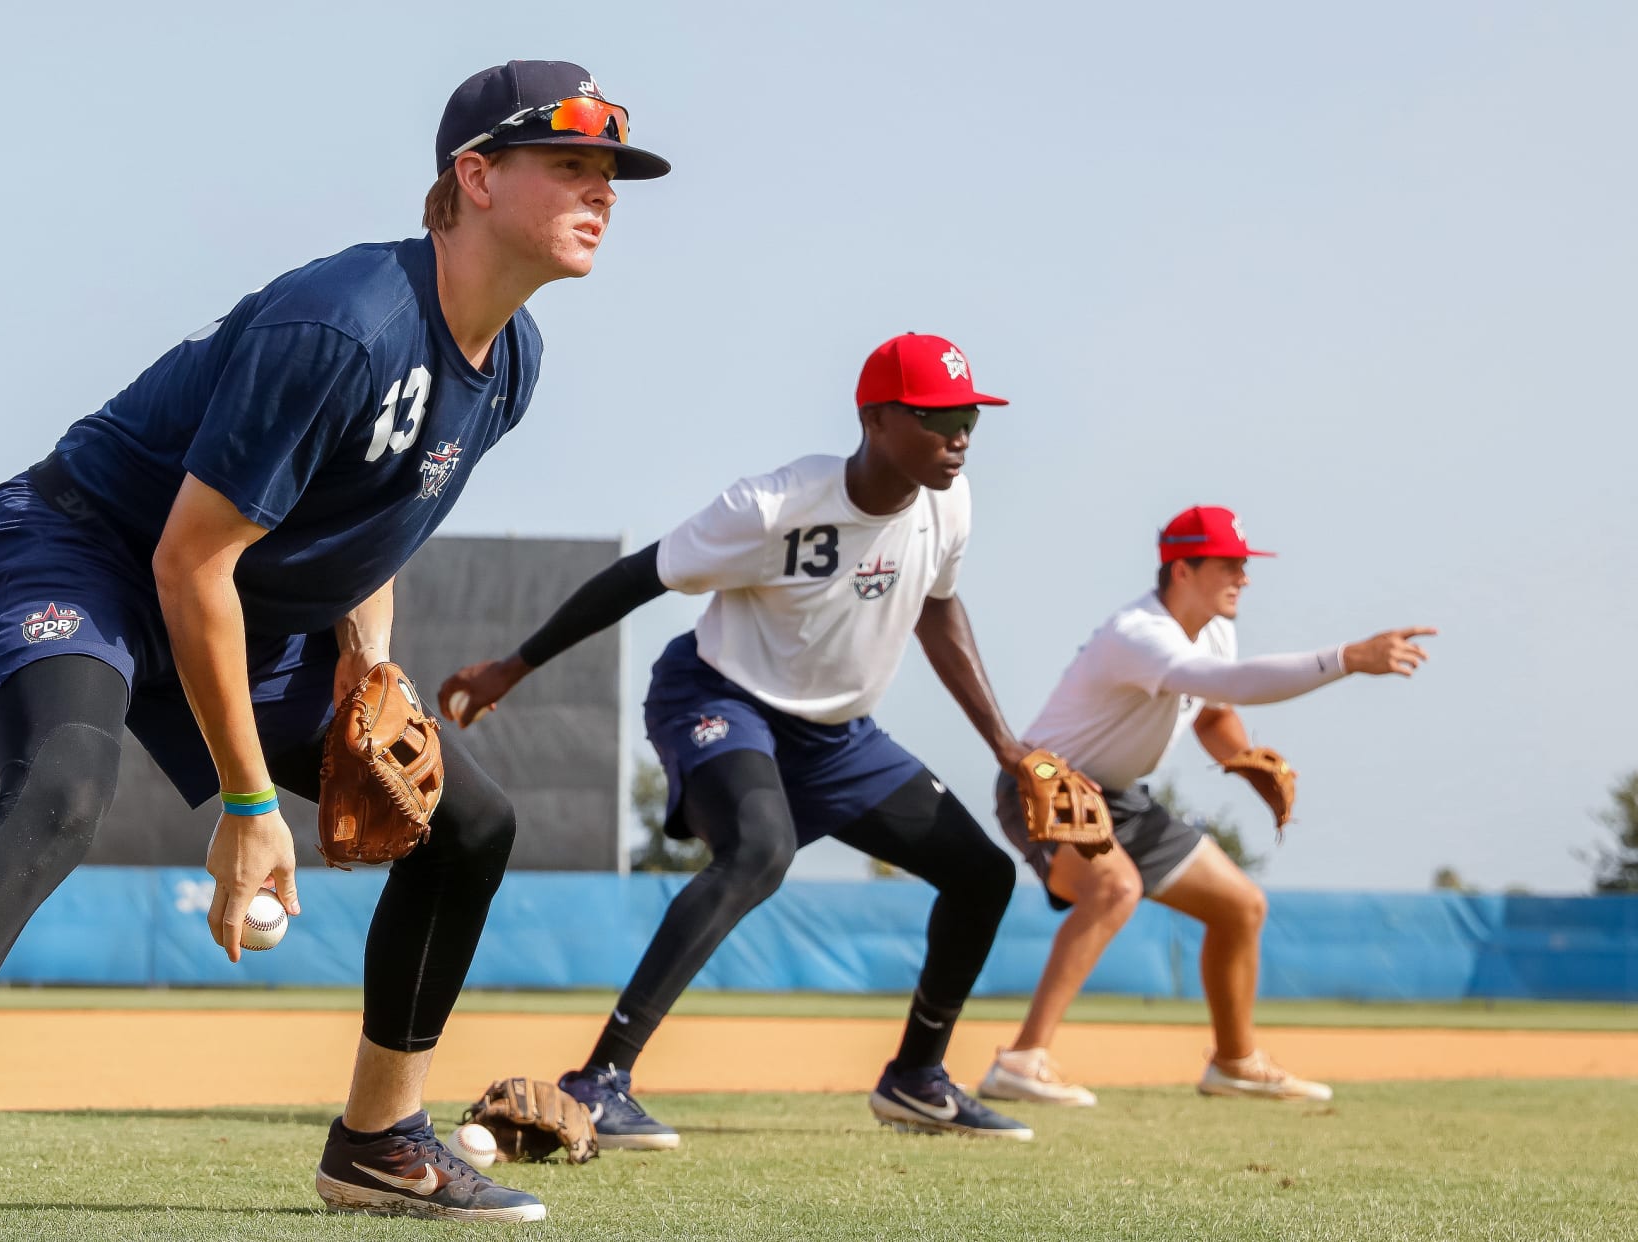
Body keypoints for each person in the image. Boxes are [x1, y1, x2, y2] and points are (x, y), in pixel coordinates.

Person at [0, 60, 671, 1238]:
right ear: (475, 178)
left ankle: (380, 1142)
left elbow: (376, 516)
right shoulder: (346, 324)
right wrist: (247, 805)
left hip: (251, 599)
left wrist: (366, 657)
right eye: (572, 164)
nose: (604, 193)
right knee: (62, 794)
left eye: (612, 173)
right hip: (87, 553)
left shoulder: (513, 363)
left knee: (470, 824)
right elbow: (186, 564)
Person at [441, 333, 1052, 1147]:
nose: (961, 434)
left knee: (981, 875)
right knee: (761, 851)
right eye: (937, 416)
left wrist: (1006, 746)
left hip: (840, 738)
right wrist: (512, 670)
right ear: (874, 418)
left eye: (969, 415)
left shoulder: (951, 502)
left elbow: (939, 609)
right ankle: (600, 1081)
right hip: (721, 696)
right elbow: (638, 577)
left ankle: (916, 1079)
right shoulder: (774, 507)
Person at [976, 506, 1434, 1107]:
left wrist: (1242, 758)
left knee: (1240, 907)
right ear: (1183, 568)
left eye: (1244, 565)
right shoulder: (1138, 633)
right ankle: (1022, 1060)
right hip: (1047, 787)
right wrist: (1346, 657)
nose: (1243, 577)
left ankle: (1236, 1062)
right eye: (1230, 564)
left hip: (1123, 799)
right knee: (1114, 889)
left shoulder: (1214, 628)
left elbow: (1216, 710)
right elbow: (1237, 683)